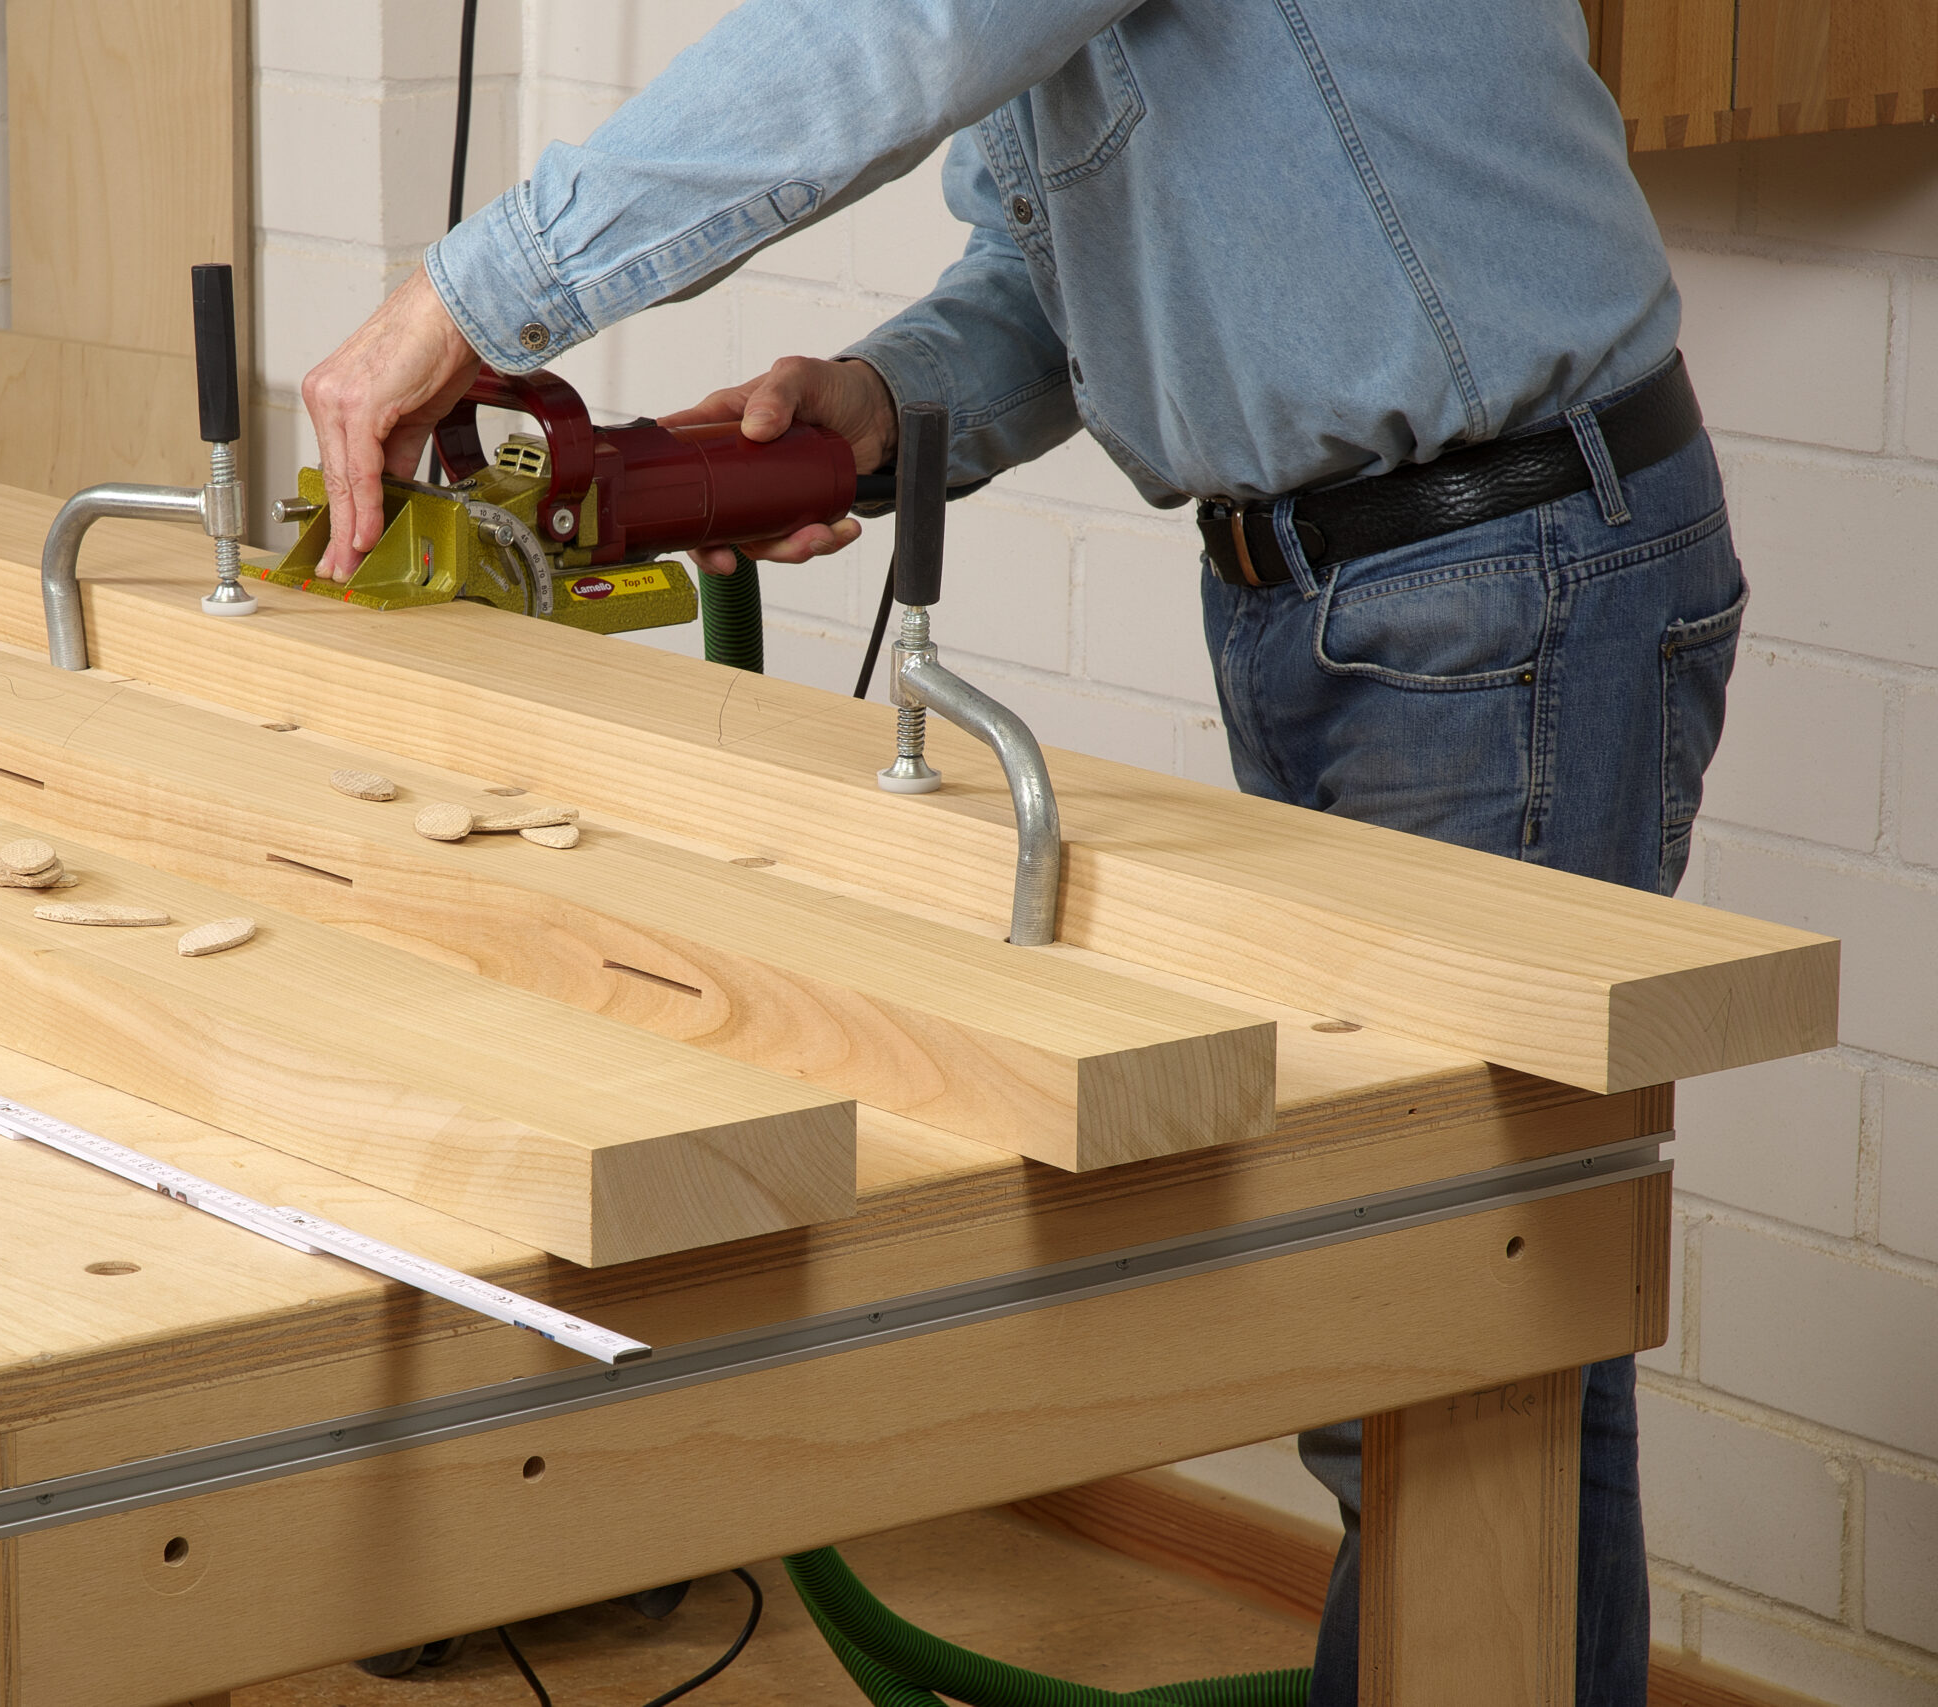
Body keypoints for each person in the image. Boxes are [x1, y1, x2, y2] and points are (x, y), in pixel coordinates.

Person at [300, 6, 1744, 1702]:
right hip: (1352, 600)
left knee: (1482, 1339)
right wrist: (880, 404)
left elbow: (886, 43)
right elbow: (1065, 268)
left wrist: (461, 302)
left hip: (1504, 576)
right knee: (1413, 1334)